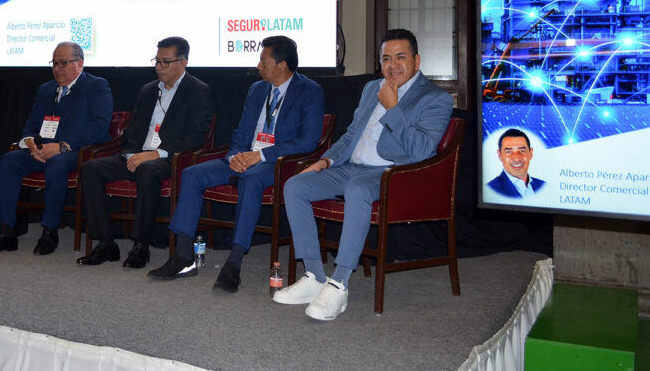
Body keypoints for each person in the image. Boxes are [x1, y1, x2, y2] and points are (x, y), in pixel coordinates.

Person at [273, 28, 452, 321]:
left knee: (357, 188)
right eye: (386, 58)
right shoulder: (372, 89)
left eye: (401, 57)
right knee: (295, 186)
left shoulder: (435, 98)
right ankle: (315, 276)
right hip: (351, 168)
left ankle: (339, 283)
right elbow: (351, 135)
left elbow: (420, 151)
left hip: (395, 174)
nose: (392, 64)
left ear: (417, 61)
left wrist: (393, 107)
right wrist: (326, 161)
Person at [148, 35, 325, 293]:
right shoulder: (257, 90)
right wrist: (235, 156)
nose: (258, 66)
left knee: (251, 179)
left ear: (282, 65)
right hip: (244, 157)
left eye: (263, 60)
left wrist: (261, 156)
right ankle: (183, 256)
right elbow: (241, 134)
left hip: (277, 163)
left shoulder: (309, 91)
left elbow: (308, 141)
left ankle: (234, 263)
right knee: (192, 174)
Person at [77, 37, 213, 269]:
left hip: (171, 158)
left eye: (165, 62)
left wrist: (156, 154)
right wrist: (131, 154)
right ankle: (106, 242)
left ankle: (141, 245)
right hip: (138, 155)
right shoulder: (148, 90)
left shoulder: (198, 91)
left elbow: (196, 136)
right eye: (157, 61)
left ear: (183, 62)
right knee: (90, 168)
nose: (159, 67)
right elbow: (134, 129)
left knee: (148, 171)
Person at [0, 42, 113, 257]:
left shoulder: (96, 86)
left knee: (56, 163)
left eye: (63, 63)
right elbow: (31, 123)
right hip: (43, 148)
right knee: (9, 160)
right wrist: (29, 142)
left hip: (79, 151)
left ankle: (49, 231)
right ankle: (4, 232)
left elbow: (99, 126)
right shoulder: (45, 90)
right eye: (54, 63)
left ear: (80, 64)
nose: (57, 68)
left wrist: (62, 146)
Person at [487, 128, 544, 198]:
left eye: (522, 151)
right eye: (509, 152)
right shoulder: (491, 189)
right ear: (500, 155)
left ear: (531, 153)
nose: (516, 158)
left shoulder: (543, 185)